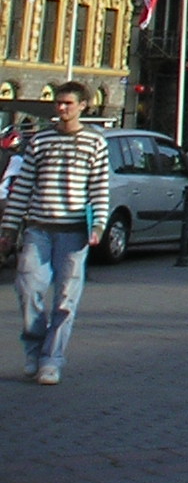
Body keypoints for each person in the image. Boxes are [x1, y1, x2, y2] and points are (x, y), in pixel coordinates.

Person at [0, 81, 108, 384]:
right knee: (28, 290)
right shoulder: (40, 141)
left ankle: (51, 359)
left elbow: (99, 188)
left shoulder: (95, 142)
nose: (61, 108)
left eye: (68, 103)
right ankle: (34, 350)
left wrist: (98, 225)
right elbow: (24, 186)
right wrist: (9, 228)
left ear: (82, 106)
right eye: (59, 103)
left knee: (65, 300)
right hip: (39, 228)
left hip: (73, 233)